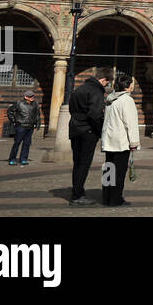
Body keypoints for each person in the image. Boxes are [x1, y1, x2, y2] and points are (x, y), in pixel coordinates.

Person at [69, 67, 112, 205]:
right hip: (88, 131)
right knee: (84, 164)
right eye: (107, 82)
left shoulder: (79, 88)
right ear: (103, 79)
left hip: (75, 128)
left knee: (77, 163)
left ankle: (77, 191)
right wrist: (100, 131)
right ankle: (77, 195)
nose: (107, 85)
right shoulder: (96, 91)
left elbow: (71, 108)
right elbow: (95, 114)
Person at [101, 73, 140, 208]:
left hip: (109, 140)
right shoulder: (127, 100)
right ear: (128, 86)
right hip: (121, 142)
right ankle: (115, 199)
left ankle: (106, 197)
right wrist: (134, 142)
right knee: (118, 172)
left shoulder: (110, 99)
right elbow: (131, 123)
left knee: (109, 170)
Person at [6, 89, 41, 166]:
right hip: (21, 126)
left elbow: (37, 115)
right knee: (17, 143)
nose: (32, 97)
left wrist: (38, 124)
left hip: (30, 126)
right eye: (30, 96)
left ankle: (23, 159)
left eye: (33, 96)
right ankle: (12, 159)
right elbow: (10, 112)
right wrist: (14, 121)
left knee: (27, 143)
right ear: (25, 97)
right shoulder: (19, 103)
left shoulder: (35, 104)